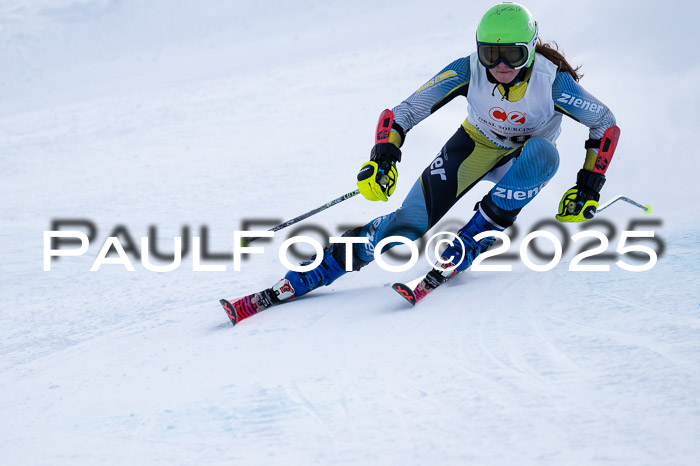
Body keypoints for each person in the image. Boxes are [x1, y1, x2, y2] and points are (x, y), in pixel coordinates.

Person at [221, 2, 619, 324]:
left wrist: (588, 186)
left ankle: (471, 239)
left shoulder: (552, 81)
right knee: (405, 227)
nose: (500, 64)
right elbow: (402, 113)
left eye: (512, 54)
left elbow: (604, 124)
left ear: (530, 50)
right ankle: (315, 271)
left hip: (525, 158)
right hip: (475, 145)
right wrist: (383, 158)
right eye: (490, 53)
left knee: (544, 154)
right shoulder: (467, 69)